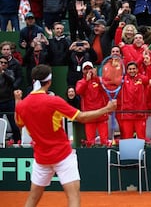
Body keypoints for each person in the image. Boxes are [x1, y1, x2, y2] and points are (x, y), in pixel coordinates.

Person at [14, 64, 117, 207]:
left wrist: (18, 101)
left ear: (33, 80)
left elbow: (19, 124)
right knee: (73, 197)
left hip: (41, 158)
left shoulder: (22, 105)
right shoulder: (54, 101)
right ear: (49, 81)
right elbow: (81, 117)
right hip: (63, 156)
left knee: (32, 198)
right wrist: (106, 109)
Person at [76, 61, 110, 145]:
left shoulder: (99, 80)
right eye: (85, 69)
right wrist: (86, 81)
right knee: (90, 142)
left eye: (89, 68)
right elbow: (78, 91)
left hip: (101, 113)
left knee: (104, 141)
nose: (88, 71)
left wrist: (97, 78)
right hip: (89, 115)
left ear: (93, 69)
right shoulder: (81, 82)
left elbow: (106, 89)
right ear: (83, 71)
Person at [117, 62, 149, 139]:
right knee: (127, 138)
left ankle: (142, 151)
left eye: (134, 69)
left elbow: (148, 80)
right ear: (127, 70)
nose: (132, 71)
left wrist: (149, 66)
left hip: (140, 114)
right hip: (127, 114)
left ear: (137, 69)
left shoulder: (142, 79)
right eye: (130, 69)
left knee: (141, 137)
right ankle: (128, 151)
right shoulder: (122, 80)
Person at [0, 55, 21, 143]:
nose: (3, 64)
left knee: (14, 123)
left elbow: (12, 81)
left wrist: (3, 73)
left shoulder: (10, 72)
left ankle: (18, 141)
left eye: (5, 63)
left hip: (9, 101)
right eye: (1, 62)